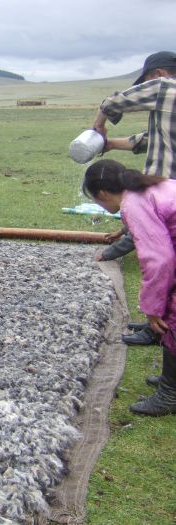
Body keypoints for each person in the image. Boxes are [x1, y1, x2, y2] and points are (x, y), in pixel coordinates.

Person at [91, 51, 176, 345]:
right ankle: (159, 322)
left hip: (164, 191)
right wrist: (109, 144)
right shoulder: (169, 108)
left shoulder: (167, 87)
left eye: (148, 81)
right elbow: (149, 139)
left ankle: (163, 327)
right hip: (167, 193)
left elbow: (114, 101)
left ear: (159, 74)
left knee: (161, 259)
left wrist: (99, 124)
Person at [83, 159, 176, 416]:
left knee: (173, 317)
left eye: (97, 200)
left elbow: (159, 260)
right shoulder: (143, 187)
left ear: (102, 194)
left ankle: (170, 394)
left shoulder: (133, 204)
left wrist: (152, 308)